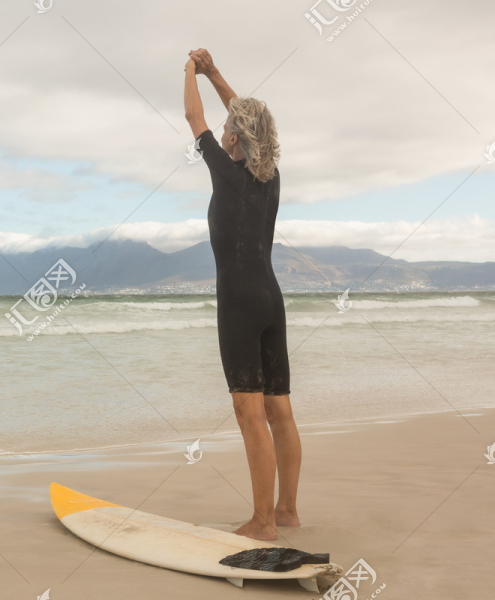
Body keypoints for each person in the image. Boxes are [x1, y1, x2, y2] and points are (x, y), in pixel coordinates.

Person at [183, 48, 302, 541]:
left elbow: (193, 116)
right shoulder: (270, 179)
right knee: (280, 409)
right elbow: (250, 122)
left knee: (248, 412)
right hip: (271, 299)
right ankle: (288, 511)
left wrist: (190, 70)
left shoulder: (226, 172)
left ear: (232, 137)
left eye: (231, 128)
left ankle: (262, 522)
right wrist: (214, 73)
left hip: (238, 303)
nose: (225, 130)